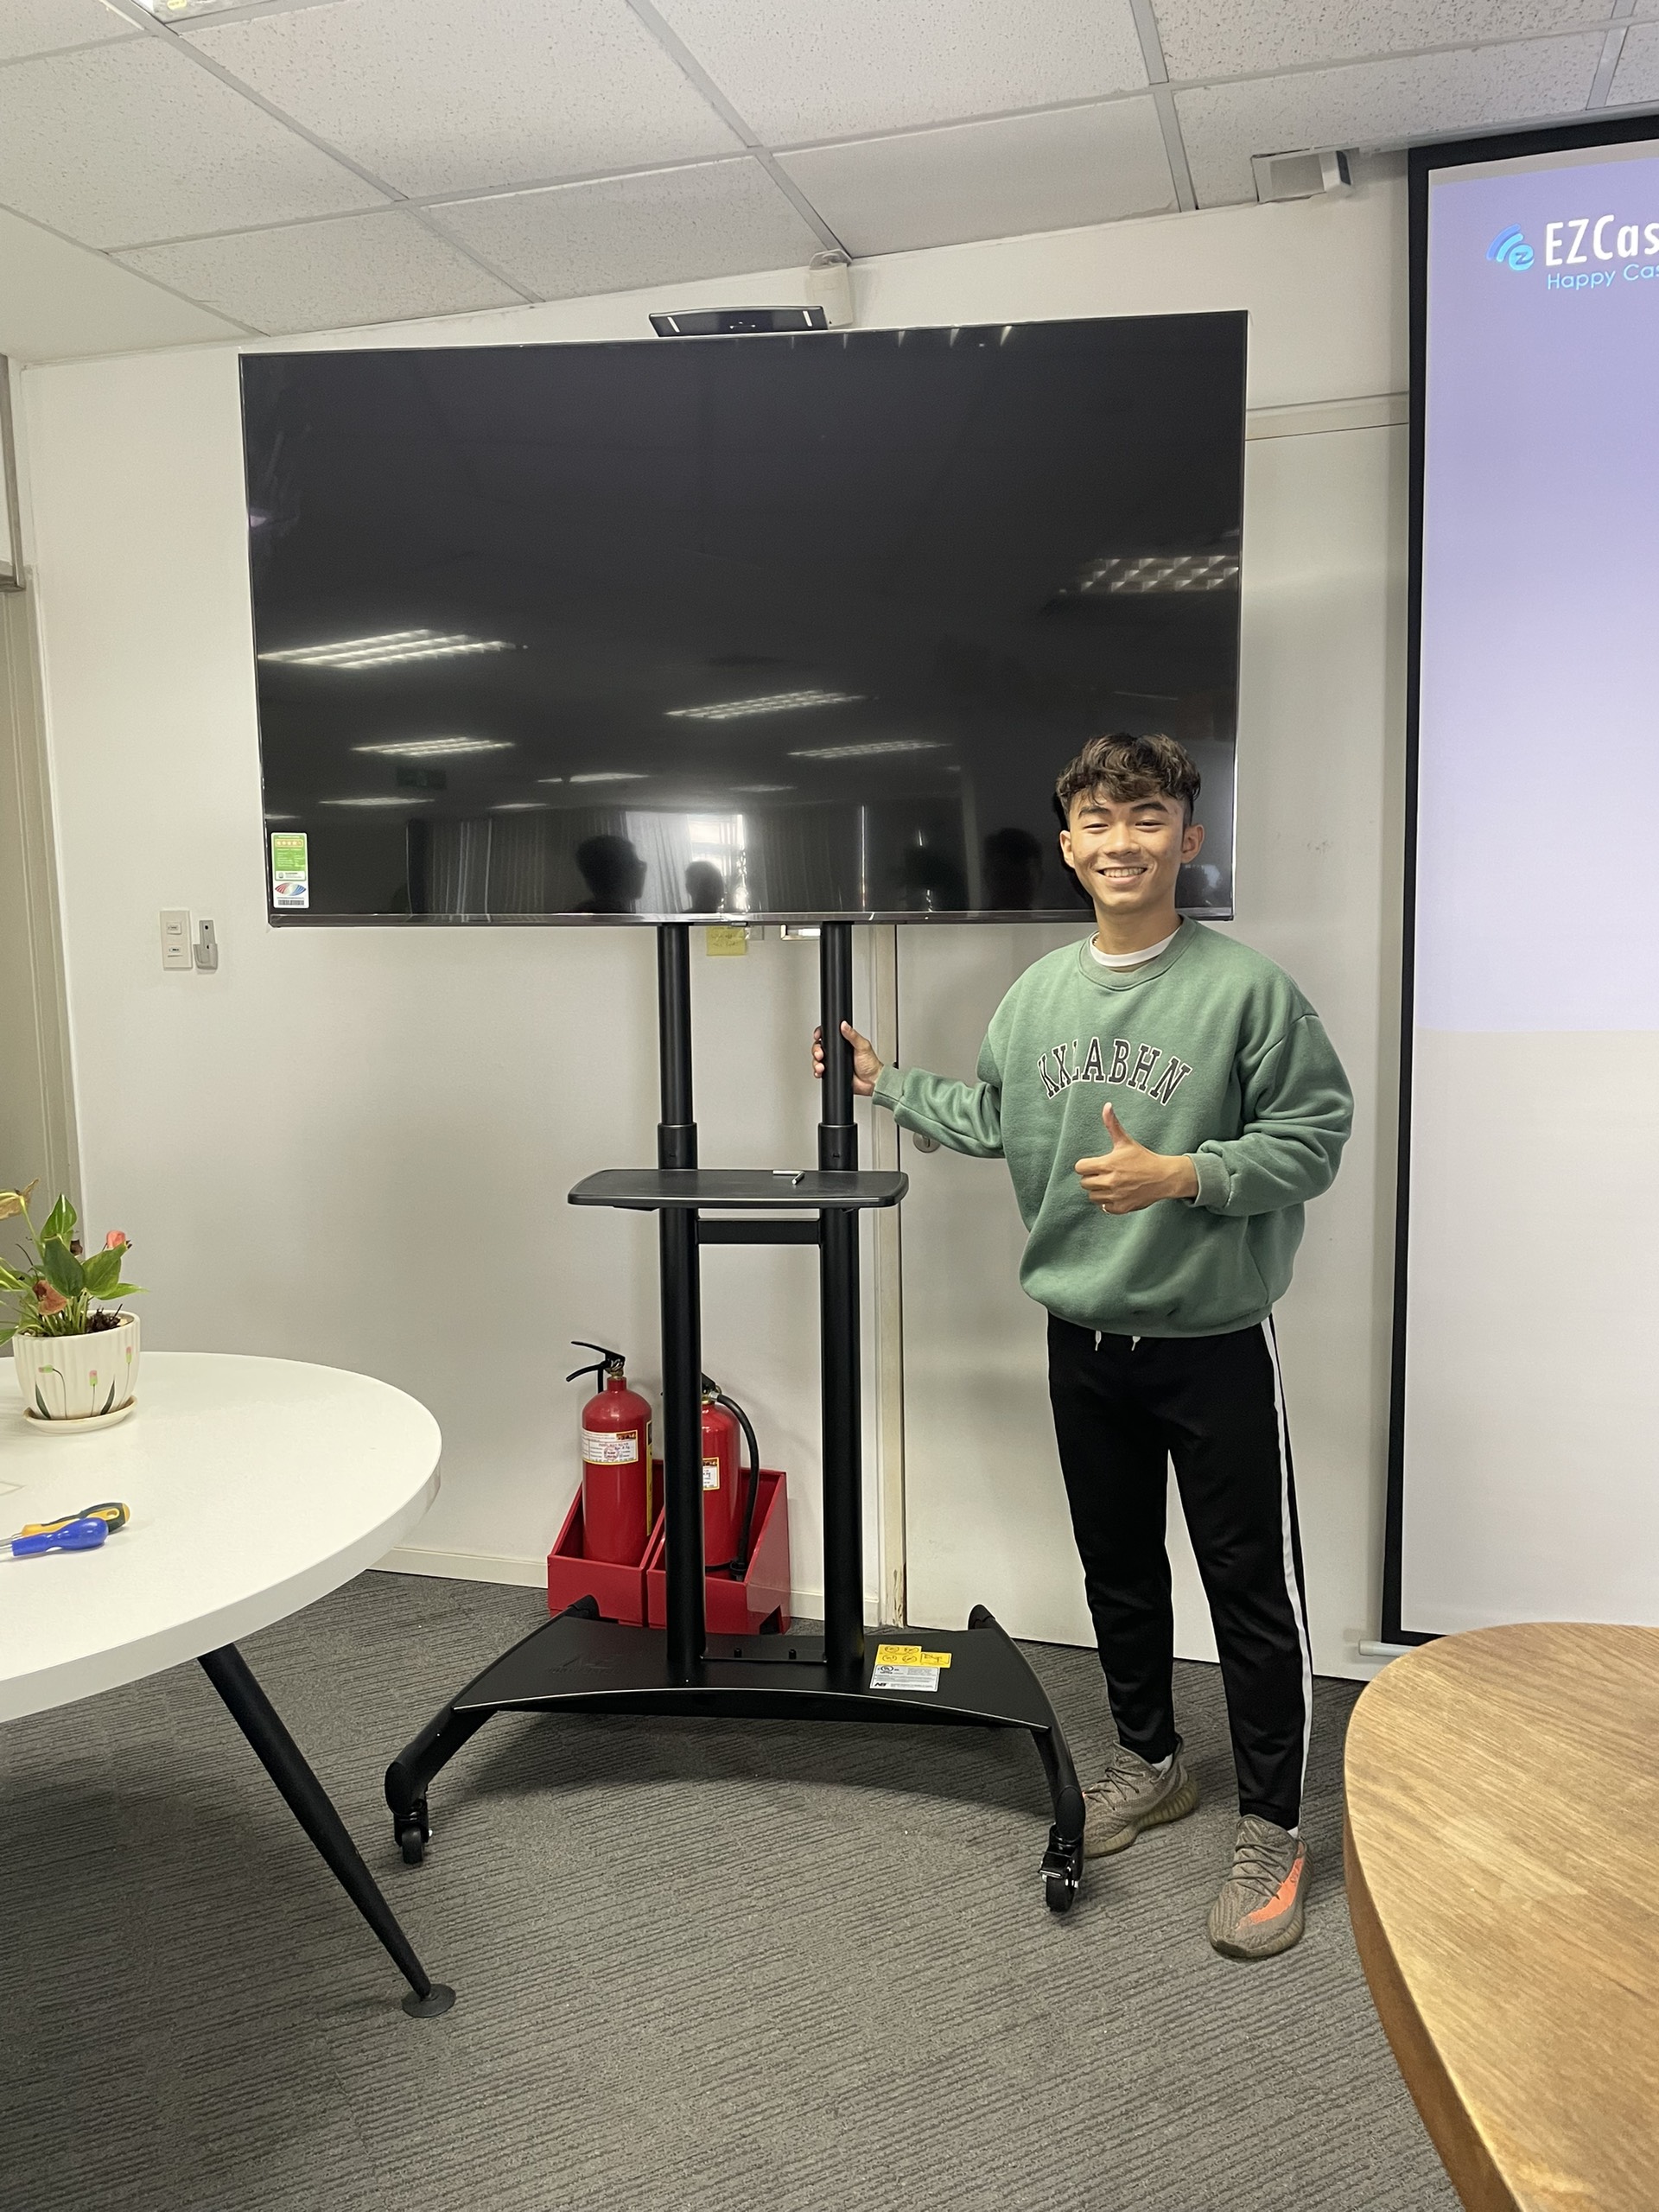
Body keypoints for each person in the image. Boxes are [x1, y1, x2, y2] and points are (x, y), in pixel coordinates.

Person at [813, 733, 1351, 1960]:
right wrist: (887, 1083)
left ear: (1188, 840)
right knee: (1118, 1568)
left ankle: (1273, 1827)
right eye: (1099, 822)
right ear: (1068, 847)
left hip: (1213, 1344)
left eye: (1147, 817)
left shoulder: (1251, 992)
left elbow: (1314, 1139)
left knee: (1248, 1591)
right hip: (1083, 1341)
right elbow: (1001, 1119)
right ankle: (1151, 1763)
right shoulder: (1038, 996)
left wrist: (1185, 1173)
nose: (1123, 842)